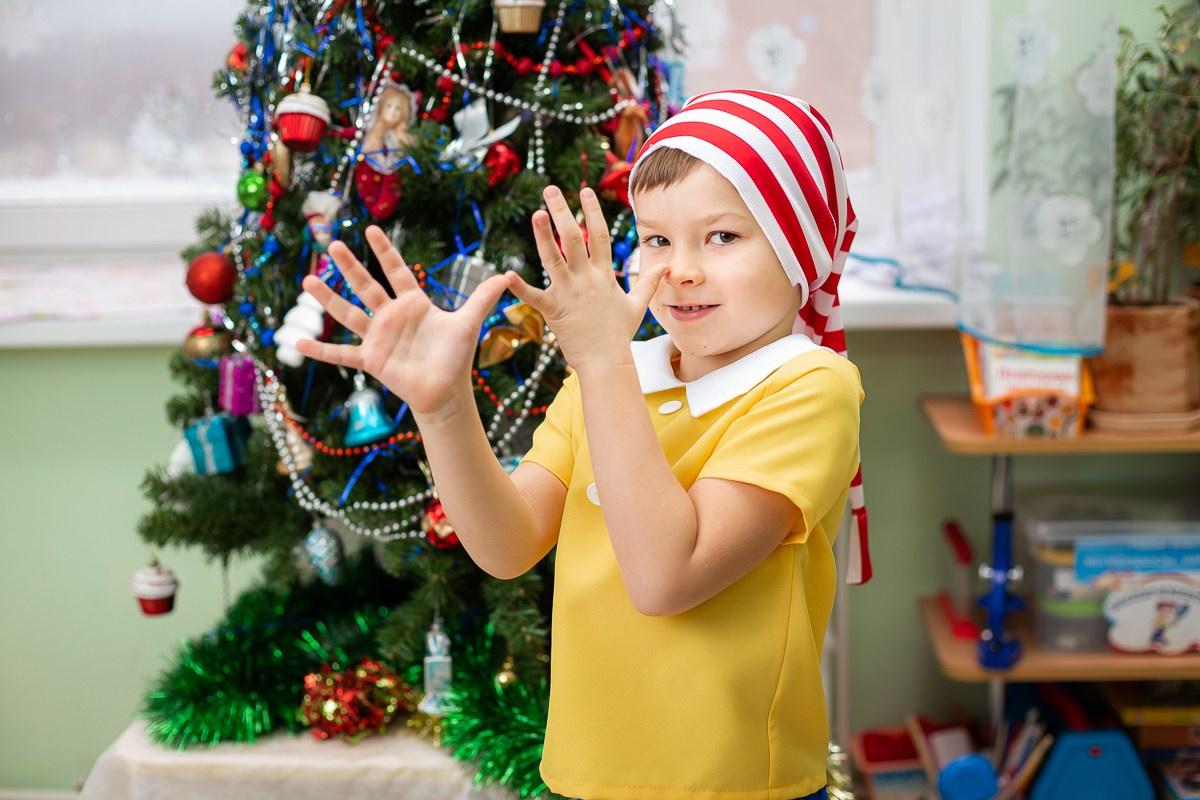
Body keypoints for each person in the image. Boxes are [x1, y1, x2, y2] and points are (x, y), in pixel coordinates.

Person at [297, 89, 869, 800]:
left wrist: (603, 363)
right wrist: (444, 408)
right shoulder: (619, 376)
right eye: (658, 239)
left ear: (797, 243)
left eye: (722, 237)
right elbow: (507, 546)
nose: (681, 269)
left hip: (735, 784)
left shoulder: (810, 385)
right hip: (585, 775)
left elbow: (666, 577)